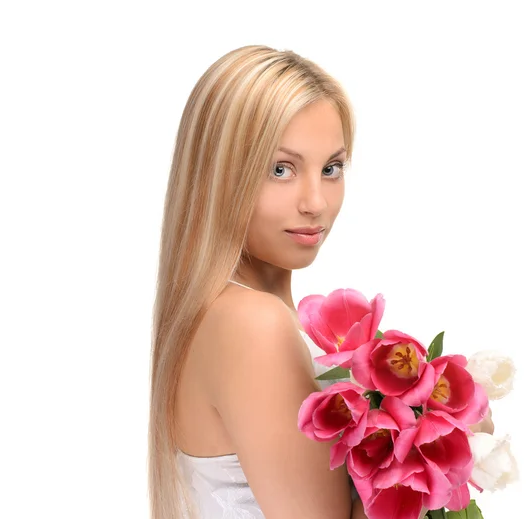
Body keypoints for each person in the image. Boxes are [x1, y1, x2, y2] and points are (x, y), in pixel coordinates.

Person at [148, 44, 426, 519]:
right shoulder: (253, 324)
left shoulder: (218, 313)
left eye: (331, 168)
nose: (315, 202)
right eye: (281, 169)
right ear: (219, 175)